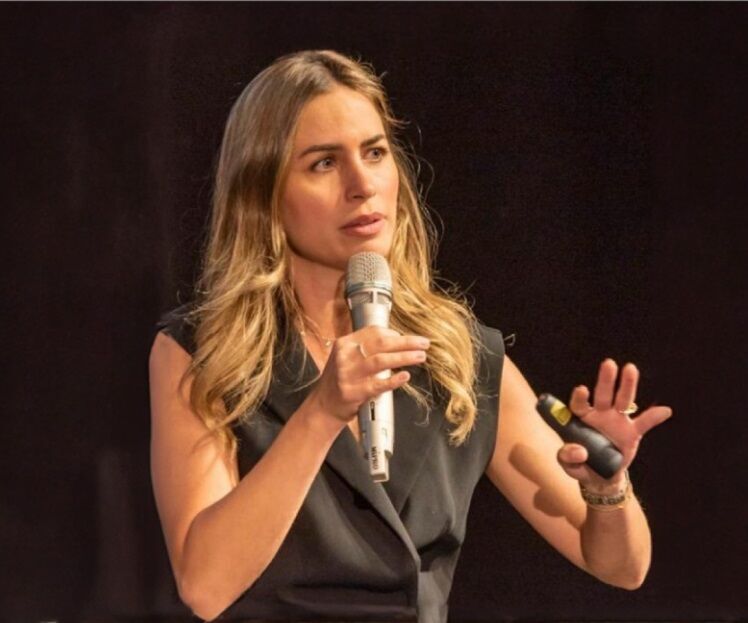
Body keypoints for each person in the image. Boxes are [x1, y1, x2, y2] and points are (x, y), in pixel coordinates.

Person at [149, 49, 673, 622]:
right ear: (263, 194)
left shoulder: (460, 356)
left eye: (374, 153)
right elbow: (205, 586)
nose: (362, 185)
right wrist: (320, 414)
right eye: (324, 163)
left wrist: (607, 486)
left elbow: (622, 567)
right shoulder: (205, 353)